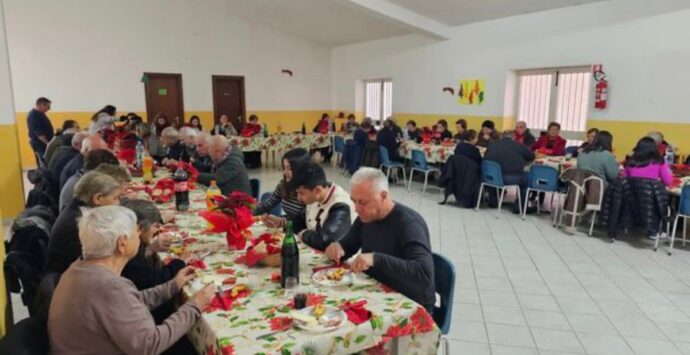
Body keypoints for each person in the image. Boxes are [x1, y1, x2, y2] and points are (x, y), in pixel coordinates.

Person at [48, 206, 214, 355]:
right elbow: (150, 345)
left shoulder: (80, 268)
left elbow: (132, 302)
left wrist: (173, 285)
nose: (139, 234)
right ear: (122, 244)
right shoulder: (108, 287)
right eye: (136, 231)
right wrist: (194, 306)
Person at [324, 168, 435, 312]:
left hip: (410, 303)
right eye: (354, 201)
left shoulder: (409, 224)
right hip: (377, 290)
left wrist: (376, 259)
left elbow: (424, 274)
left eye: (362, 202)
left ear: (383, 196)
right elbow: (348, 246)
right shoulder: (367, 217)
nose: (357, 209)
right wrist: (338, 248)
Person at [46, 171, 123, 273]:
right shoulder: (82, 223)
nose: (118, 203)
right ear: (98, 198)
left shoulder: (75, 209)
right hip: (71, 280)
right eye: (115, 198)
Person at [271, 162, 354, 251]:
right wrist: (282, 222)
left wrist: (303, 233)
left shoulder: (340, 206)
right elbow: (301, 219)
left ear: (317, 190)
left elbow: (324, 241)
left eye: (301, 193)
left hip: (344, 261)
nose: (298, 198)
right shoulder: (316, 196)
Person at [120, 199, 192, 290]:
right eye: (155, 226)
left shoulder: (128, 241)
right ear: (139, 228)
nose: (156, 230)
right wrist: (179, 263)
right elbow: (154, 281)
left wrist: (150, 249)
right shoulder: (127, 250)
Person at [484, 130, 535, 211]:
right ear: (514, 137)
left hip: (491, 177)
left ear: (501, 136)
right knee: (528, 178)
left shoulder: (492, 145)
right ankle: (520, 206)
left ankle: (493, 201)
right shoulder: (519, 146)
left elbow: (486, 157)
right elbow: (531, 157)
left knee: (496, 171)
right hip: (509, 178)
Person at [254, 148, 310, 221]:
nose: (285, 172)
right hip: (288, 226)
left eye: (289, 168)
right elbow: (268, 204)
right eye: (284, 168)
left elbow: (304, 219)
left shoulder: (311, 190)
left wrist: (282, 221)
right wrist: (245, 212)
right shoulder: (284, 185)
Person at [27, 97, 54, 166]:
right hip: (40, 144)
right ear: (40, 105)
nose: (49, 109)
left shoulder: (40, 114)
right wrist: (48, 144)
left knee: (46, 162)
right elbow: (39, 134)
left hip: (43, 143)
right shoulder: (34, 115)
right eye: (48, 106)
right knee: (44, 163)